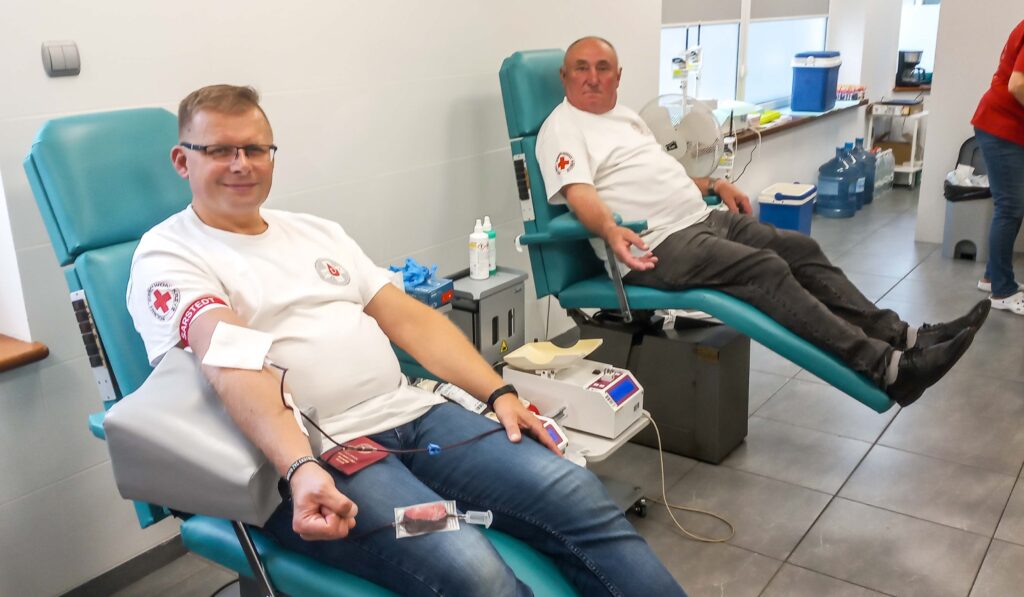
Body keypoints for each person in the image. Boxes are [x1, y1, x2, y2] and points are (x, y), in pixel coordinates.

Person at [126, 84, 685, 597]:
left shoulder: (315, 232)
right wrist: (299, 468)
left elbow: (413, 322)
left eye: (255, 149)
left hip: (416, 419)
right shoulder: (170, 254)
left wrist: (500, 395)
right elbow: (232, 361)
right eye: (219, 150)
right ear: (183, 160)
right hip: (323, 455)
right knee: (472, 567)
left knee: (576, 491)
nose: (241, 164)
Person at [537, 37, 989, 408]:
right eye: (581, 68)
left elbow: (655, 173)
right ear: (564, 76)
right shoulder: (563, 127)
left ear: (618, 76)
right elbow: (581, 195)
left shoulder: (624, 116)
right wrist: (609, 228)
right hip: (655, 245)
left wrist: (713, 183)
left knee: (800, 249)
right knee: (764, 270)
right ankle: (888, 369)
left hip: (701, 217)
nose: (592, 77)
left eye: (602, 68)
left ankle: (904, 335)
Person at [972, 19, 1024, 315]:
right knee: (1010, 207)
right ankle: (1003, 291)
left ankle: (992, 277)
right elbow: (1018, 84)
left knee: (1012, 206)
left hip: (1005, 127)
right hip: (1002, 127)